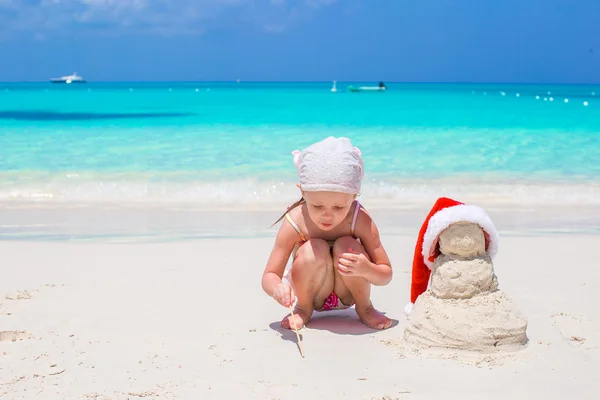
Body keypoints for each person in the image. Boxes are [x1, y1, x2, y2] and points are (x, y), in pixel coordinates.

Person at [261, 136, 393, 330]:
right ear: (303, 192)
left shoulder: (359, 219)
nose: (327, 216)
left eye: (339, 207)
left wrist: (367, 269)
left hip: (349, 293)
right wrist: (277, 288)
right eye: (317, 205)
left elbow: (386, 274)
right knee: (314, 248)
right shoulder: (296, 221)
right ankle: (303, 309)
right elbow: (270, 275)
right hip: (312, 294)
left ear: (354, 196)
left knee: (346, 244)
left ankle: (365, 308)